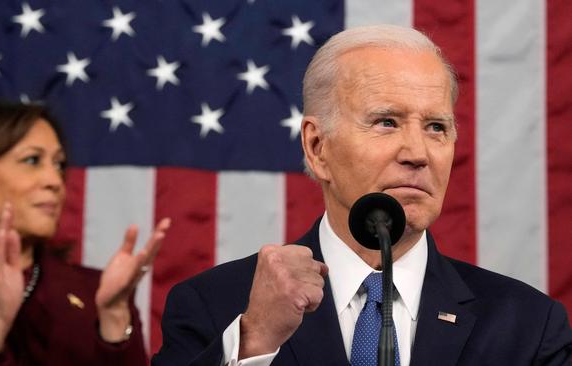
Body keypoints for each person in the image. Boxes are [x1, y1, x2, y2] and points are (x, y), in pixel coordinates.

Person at [151, 24, 572, 366]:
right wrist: (256, 343)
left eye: (436, 127)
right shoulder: (215, 307)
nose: (418, 154)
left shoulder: (528, 326)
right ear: (318, 148)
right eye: (387, 122)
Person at [0, 100, 171, 365]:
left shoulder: (95, 293)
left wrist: (114, 316)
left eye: (59, 164)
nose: (55, 181)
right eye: (32, 160)